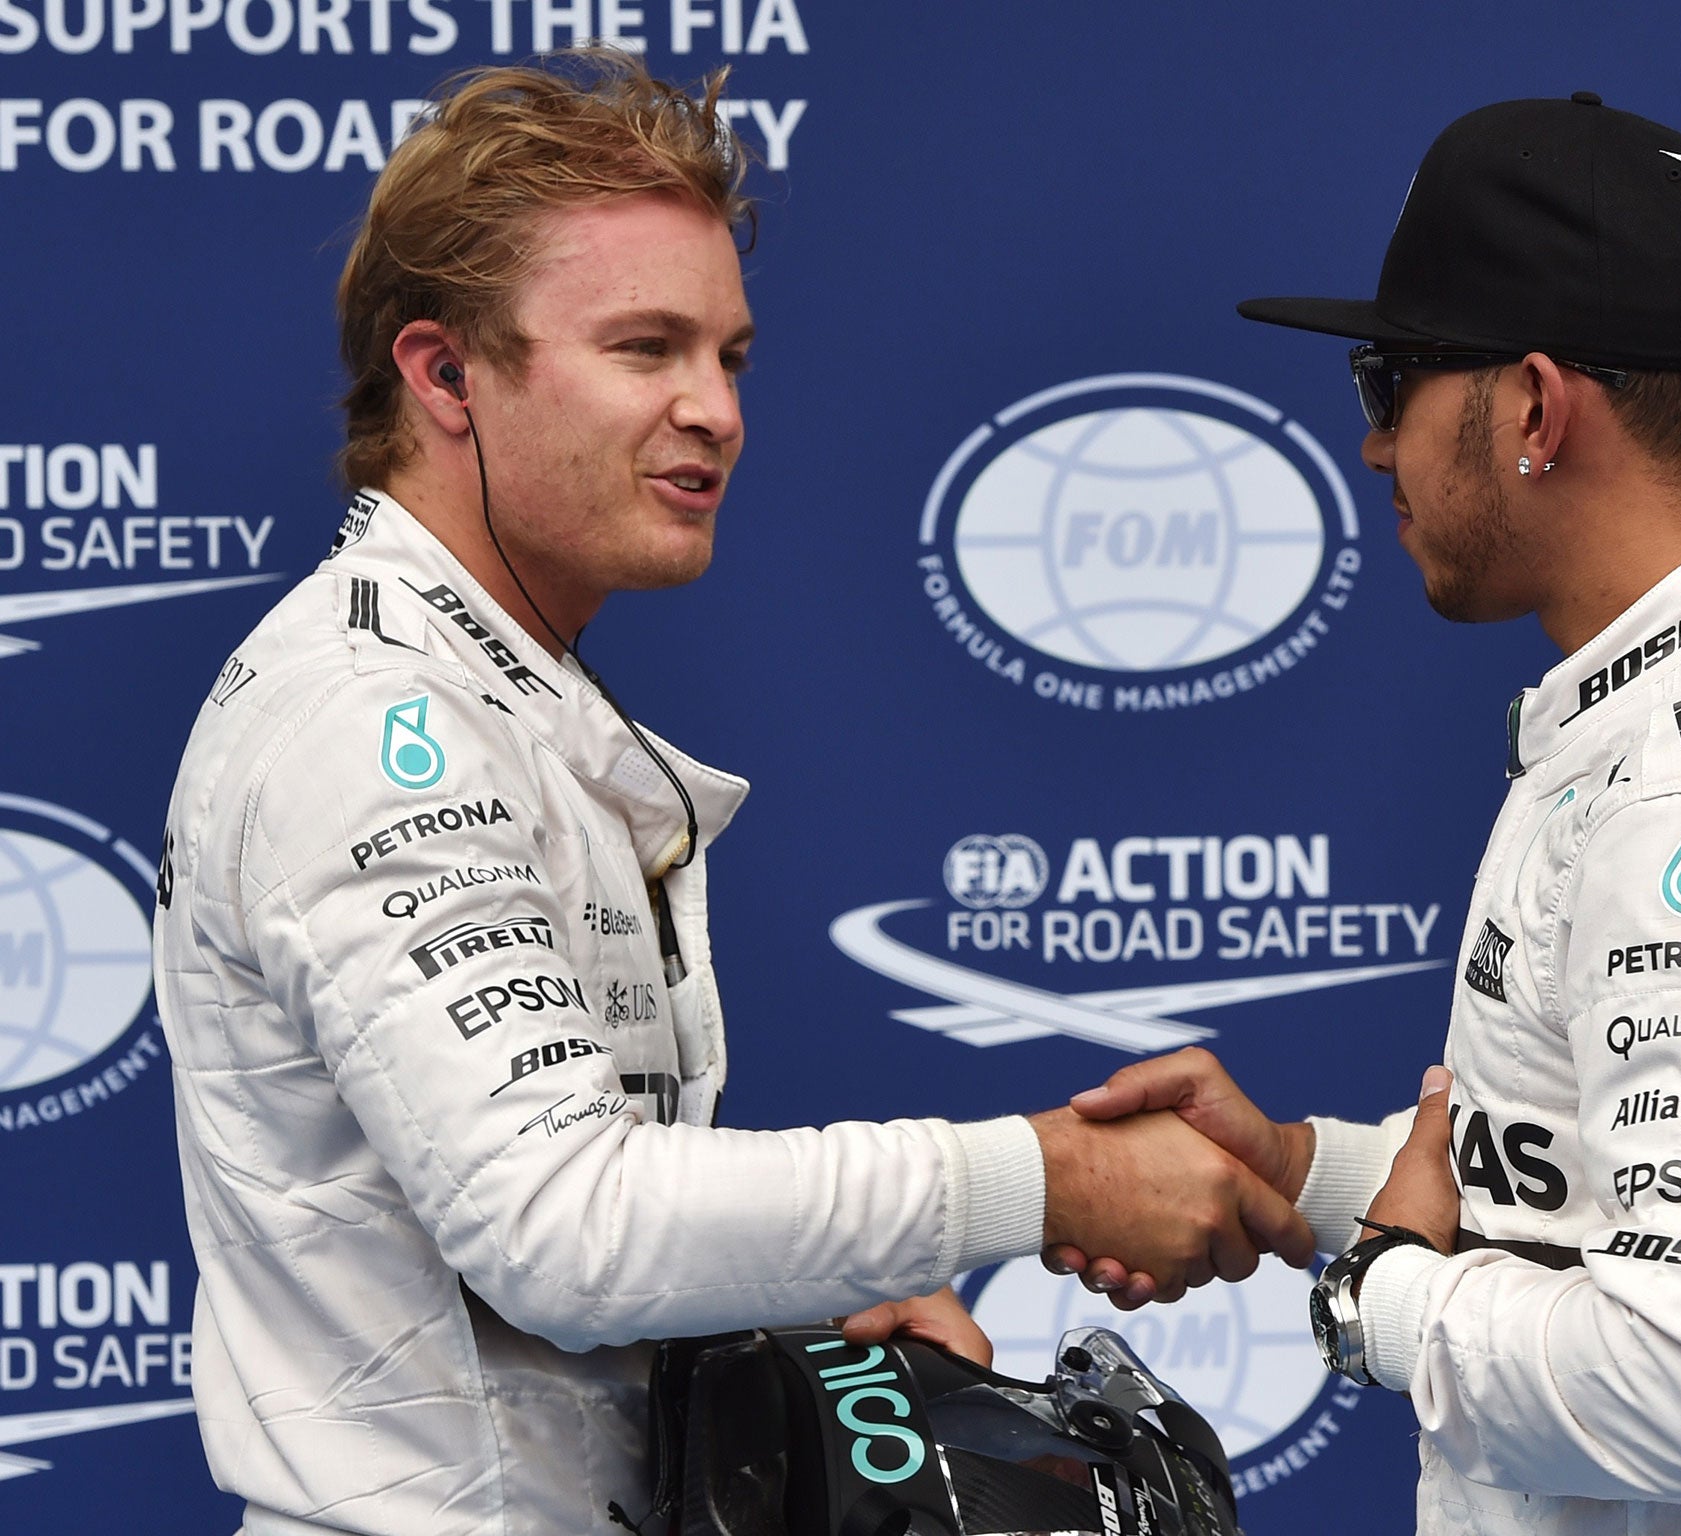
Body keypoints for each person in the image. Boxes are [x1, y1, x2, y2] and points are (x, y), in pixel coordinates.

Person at [151, 51, 1310, 1536]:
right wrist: (1041, 1178)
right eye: (645, 349)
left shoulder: (489, 683)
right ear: (444, 375)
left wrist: (795, 1293)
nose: (715, 411)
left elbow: (539, 1226)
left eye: (732, 357)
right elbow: (557, 1226)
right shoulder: (378, 722)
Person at [1051, 94, 1681, 1533]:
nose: (1375, 450)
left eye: (1390, 381)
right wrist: (1311, 1174)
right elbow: (1605, 1210)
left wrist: (1379, 1299)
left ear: (1537, 409)